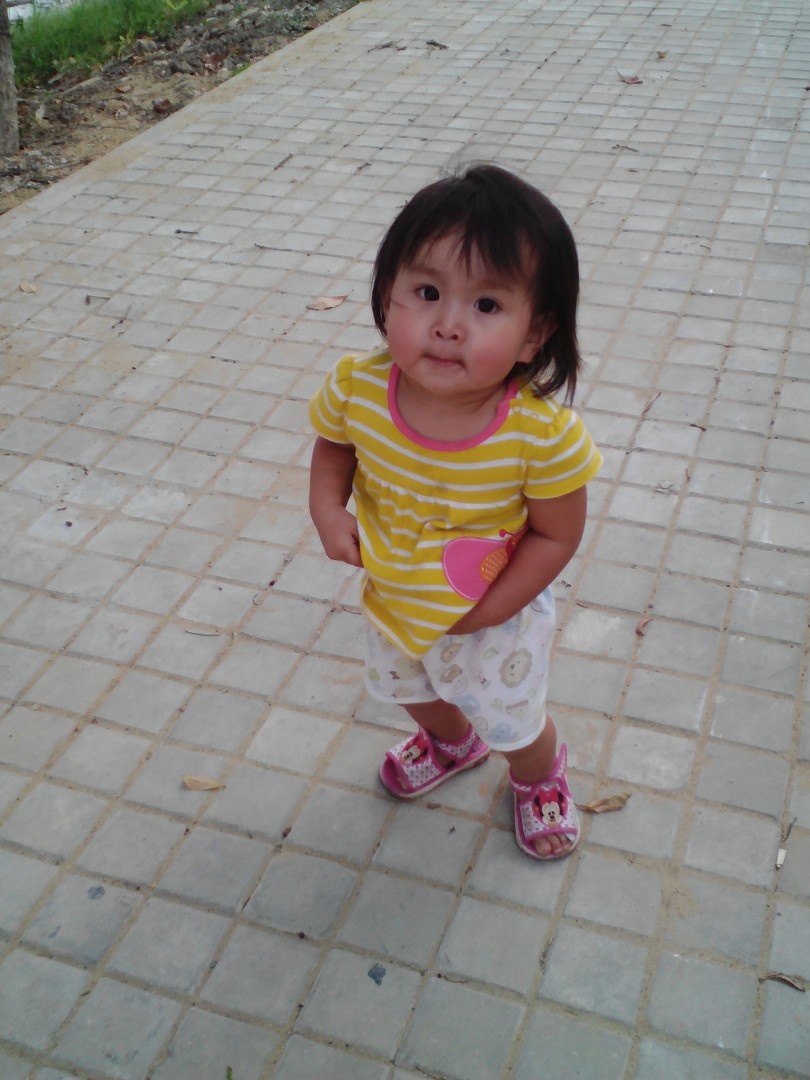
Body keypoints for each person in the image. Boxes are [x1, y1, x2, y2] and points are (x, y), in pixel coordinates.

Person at [308, 164, 601, 860]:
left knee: (514, 722)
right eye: (427, 292)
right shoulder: (358, 386)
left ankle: (537, 778)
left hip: (497, 615)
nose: (447, 326)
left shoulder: (540, 436)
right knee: (407, 688)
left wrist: (493, 609)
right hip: (396, 593)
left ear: (534, 334)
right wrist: (326, 508)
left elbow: (558, 535)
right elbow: (335, 445)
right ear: (387, 296)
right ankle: (449, 743)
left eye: (487, 305)